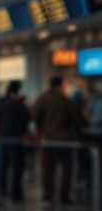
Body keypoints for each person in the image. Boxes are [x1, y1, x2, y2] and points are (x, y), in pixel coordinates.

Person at [32, 76, 84, 204]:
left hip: (48, 138)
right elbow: (75, 118)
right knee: (67, 168)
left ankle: (48, 195)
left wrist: (41, 129)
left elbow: (35, 115)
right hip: (64, 138)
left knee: (48, 169)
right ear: (60, 85)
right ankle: (64, 196)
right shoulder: (64, 99)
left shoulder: (42, 98)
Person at [0, 81, 31, 202]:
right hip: (16, 138)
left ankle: (2, 190)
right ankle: (16, 192)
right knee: (17, 166)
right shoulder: (19, 104)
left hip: (3, 138)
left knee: (3, 165)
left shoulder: (0, 103)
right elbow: (26, 118)